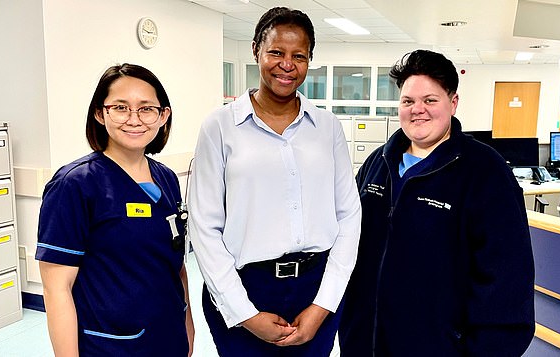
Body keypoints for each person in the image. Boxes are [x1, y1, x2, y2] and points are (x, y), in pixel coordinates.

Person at [188, 7, 361, 357]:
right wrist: (244, 313)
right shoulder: (220, 126)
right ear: (256, 50)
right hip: (245, 286)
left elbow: (349, 215)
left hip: (316, 286)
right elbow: (204, 225)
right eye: (276, 52)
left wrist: (323, 305)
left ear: (309, 60)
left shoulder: (327, 127)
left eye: (299, 56)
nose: (287, 64)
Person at [338, 50, 535, 356]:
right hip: (365, 343)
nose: (418, 110)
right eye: (408, 101)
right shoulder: (379, 163)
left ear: (452, 103)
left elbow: (507, 282)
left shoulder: (485, 172)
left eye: (430, 100)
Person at [36, 63, 194, 356]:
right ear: (100, 113)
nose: (134, 119)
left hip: (168, 335)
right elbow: (57, 290)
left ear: (163, 116)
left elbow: (175, 264)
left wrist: (188, 326)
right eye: (120, 107)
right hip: (110, 345)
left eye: (146, 109)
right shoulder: (76, 184)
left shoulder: (167, 178)